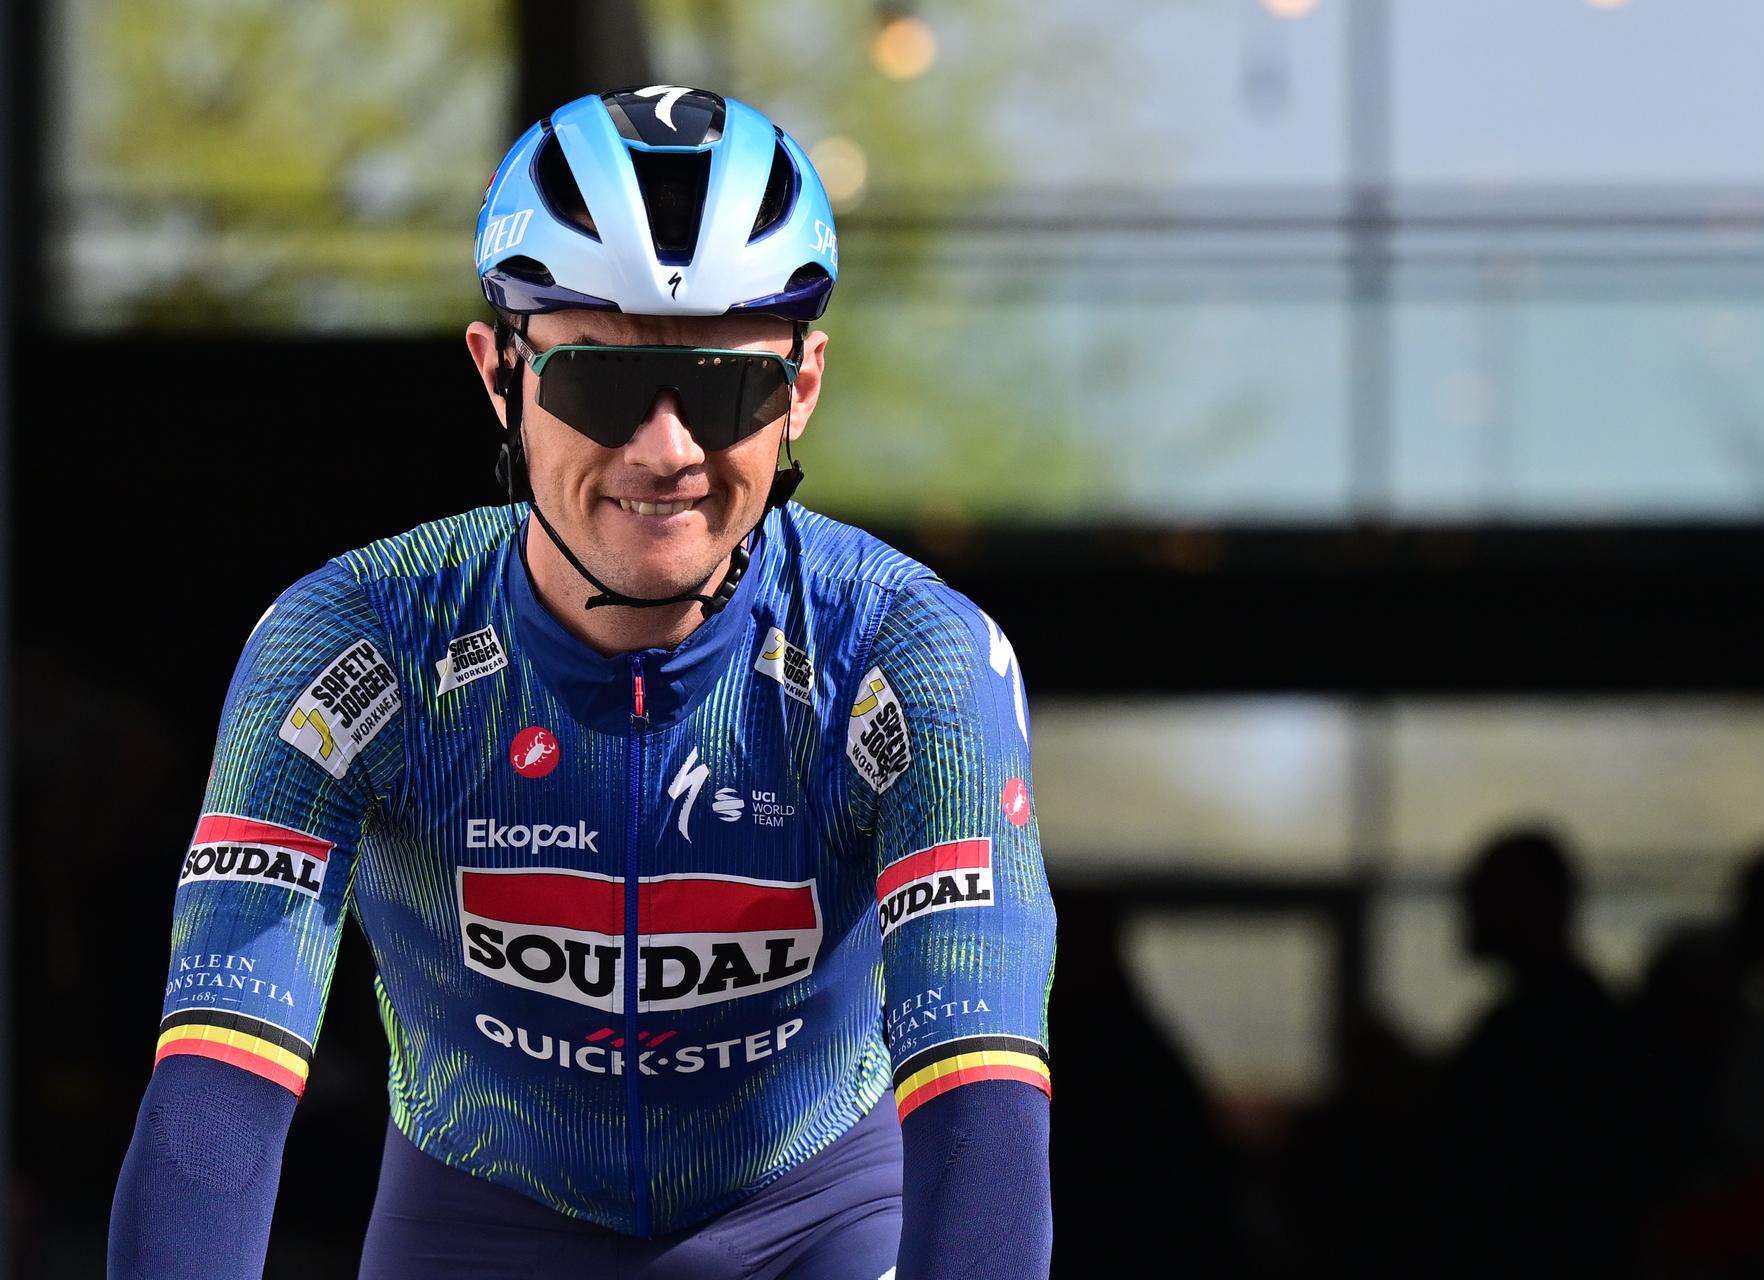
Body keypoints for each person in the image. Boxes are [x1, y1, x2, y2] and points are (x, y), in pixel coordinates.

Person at [108, 86, 1055, 1280]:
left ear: (802, 385)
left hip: (815, 1223)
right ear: (499, 370)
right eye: (600, 383)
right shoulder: (355, 644)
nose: (664, 449)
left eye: (723, 388)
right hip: (477, 1227)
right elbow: (214, 1107)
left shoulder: (908, 658)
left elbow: (988, 1121)